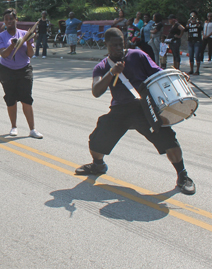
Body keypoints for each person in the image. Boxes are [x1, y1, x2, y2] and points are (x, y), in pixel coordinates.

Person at [74, 27, 195, 196]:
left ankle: (183, 176)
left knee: (169, 140)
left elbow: (158, 73)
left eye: (121, 44)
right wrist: (111, 73)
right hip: (120, 110)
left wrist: (177, 75)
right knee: (96, 141)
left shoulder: (137, 55)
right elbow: (96, 91)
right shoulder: (101, 67)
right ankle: (98, 165)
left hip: (144, 107)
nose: (119, 48)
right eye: (114, 45)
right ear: (106, 45)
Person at [0, 8, 43, 139]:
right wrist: (12, 46)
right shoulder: (0, 36)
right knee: (11, 99)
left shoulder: (24, 33)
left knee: (26, 98)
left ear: (16, 19)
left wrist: (28, 42)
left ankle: (32, 129)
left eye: (11, 18)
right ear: (4, 22)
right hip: (7, 70)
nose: (9, 21)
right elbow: (3, 54)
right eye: (6, 19)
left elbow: (31, 54)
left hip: (24, 70)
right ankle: (14, 126)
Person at [185, 11, 202, 75]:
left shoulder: (199, 22)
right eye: (191, 16)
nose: (192, 18)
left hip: (197, 41)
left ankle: (197, 70)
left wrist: (197, 23)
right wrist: (189, 22)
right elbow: (185, 29)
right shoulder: (189, 23)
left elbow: (201, 28)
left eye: (194, 16)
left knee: (197, 55)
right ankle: (191, 70)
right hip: (190, 41)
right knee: (191, 56)